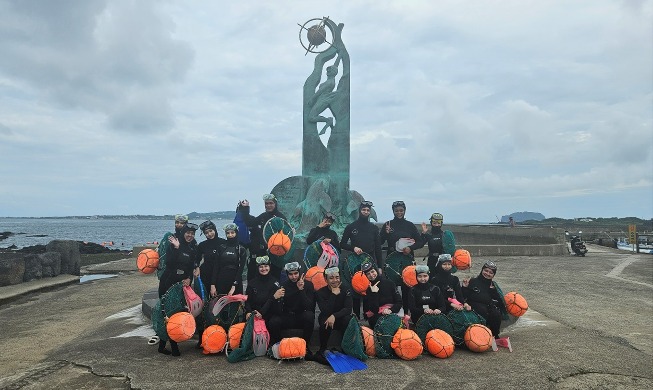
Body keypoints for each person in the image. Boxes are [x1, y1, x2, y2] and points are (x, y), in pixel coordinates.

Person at [157, 222, 199, 356]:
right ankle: (172, 347)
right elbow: (169, 263)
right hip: (168, 282)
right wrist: (176, 248)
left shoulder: (191, 249)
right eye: (188, 233)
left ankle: (163, 345)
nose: (190, 235)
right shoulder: (174, 244)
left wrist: (189, 279)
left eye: (192, 234)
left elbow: (190, 267)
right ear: (183, 233)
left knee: (176, 312)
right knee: (167, 313)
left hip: (180, 285)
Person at [341, 201, 382, 319]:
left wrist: (379, 266)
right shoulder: (351, 227)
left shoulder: (374, 228)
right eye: (364, 210)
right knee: (355, 290)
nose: (366, 212)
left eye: (368, 210)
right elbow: (342, 244)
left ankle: (368, 316)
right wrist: (353, 248)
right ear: (360, 211)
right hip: (355, 263)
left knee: (369, 289)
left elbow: (378, 248)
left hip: (370, 262)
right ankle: (356, 317)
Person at [378, 200, 421, 313]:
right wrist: (385, 233)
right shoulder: (388, 224)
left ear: (405, 211)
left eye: (401, 210)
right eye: (396, 210)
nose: (399, 212)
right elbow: (380, 241)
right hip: (392, 261)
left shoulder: (410, 225)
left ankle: (406, 312)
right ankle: (393, 312)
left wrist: (411, 248)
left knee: (407, 286)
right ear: (393, 211)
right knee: (392, 287)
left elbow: (420, 242)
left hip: (407, 260)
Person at [238, 194, 288, 280]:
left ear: (275, 204)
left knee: (273, 280)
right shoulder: (263, 216)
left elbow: (286, 237)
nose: (268, 205)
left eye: (271, 203)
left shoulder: (281, 218)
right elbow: (251, 222)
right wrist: (245, 208)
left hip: (274, 256)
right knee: (256, 279)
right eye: (266, 203)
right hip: (261, 254)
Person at [267, 262, 315, 349]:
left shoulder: (308, 285)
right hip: (287, 316)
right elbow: (277, 310)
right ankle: (279, 345)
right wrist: (277, 299)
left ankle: (305, 345)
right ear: (287, 274)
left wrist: (301, 290)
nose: (294, 277)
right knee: (273, 321)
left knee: (310, 316)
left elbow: (309, 307)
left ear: (300, 272)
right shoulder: (283, 286)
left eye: (296, 273)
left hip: (300, 316)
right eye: (291, 274)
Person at [462, 261, 507, 338]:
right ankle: (481, 334)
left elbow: (499, 300)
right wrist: (464, 287)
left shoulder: (493, 285)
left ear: (493, 275)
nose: (487, 273)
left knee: (496, 314)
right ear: (482, 270)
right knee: (482, 310)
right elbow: (463, 296)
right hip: (474, 305)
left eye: (491, 273)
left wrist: (493, 291)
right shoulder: (472, 281)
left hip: (488, 305)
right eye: (486, 271)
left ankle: (495, 335)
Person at [315, 266, 353, 354]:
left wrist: (334, 316)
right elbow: (325, 311)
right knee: (325, 321)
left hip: (340, 317)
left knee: (348, 319)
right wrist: (333, 295)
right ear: (325, 280)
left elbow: (348, 309)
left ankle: (345, 347)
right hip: (327, 316)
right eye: (331, 278)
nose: (335, 280)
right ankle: (323, 347)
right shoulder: (320, 292)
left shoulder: (346, 289)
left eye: (337, 277)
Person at [361, 261, 402, 329]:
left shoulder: (390, 283)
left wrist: (391, 310)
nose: (371, 275)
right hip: (377, 317)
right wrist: (374, 293)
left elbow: (399, 302)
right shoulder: (368, 290)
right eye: (368, 274)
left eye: (372, 272)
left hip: (392, 313)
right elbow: (374, 310)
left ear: (376, 271)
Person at [244, 256, 283, 324]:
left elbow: (275, 303)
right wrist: (248, 312)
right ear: (257, 268)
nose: (264, 269)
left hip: (269, 314)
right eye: (261, 267)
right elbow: (247, 301)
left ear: (269, 267)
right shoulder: (252, 283)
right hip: (255, 313)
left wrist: (262, 313)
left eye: (266, 266)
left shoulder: (275, 283)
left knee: (275, 322)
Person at [213, 223, 247, 296]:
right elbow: (216, 266)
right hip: (222, 281)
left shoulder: (241, 249)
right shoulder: (221, 247)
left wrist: (234, 286)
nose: (230, 235)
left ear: (236, 233)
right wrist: (213, 284)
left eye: (232, 233)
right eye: (228, 233)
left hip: (235, 282)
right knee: (221, 306)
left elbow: (240, 269)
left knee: (235, 306)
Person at [196, 220, 224, 298]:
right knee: (205, 298)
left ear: (215, 230)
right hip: (206, 275)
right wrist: (197, 267)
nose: (209, 234)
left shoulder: (223, 243)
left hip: (219, 275)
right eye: (206, 233)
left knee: (217, 298)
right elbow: (197, 259)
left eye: (211, 231)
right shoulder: (202, 245)